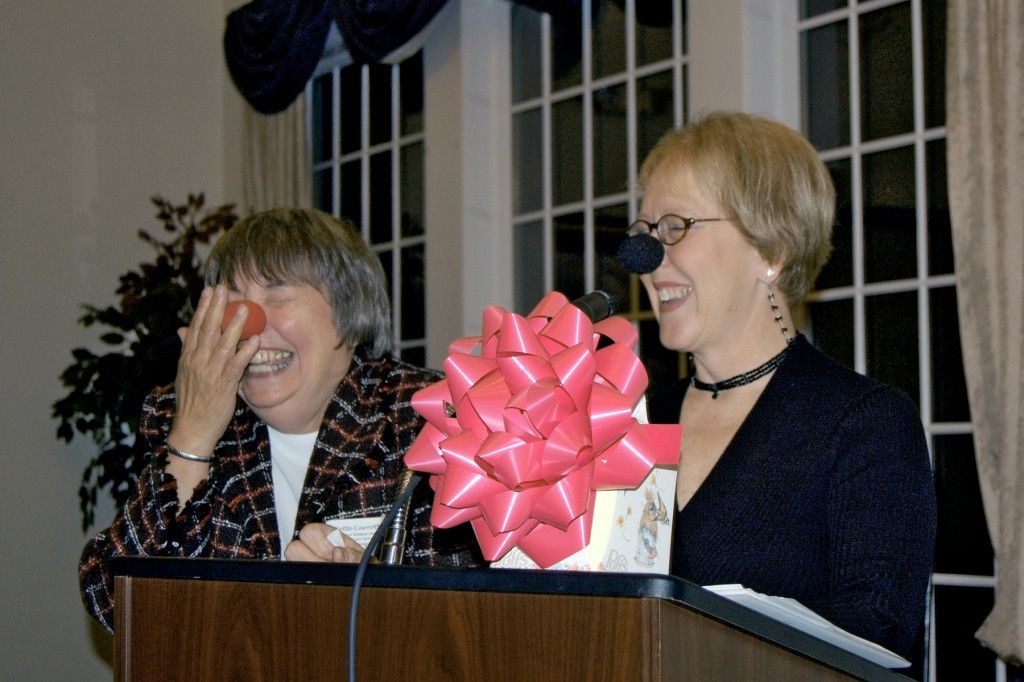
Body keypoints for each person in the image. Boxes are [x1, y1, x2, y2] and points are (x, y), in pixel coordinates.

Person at [79, 208, 478, 632]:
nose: (247, 321)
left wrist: (376, 593)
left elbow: (475, 611)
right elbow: (114, 604)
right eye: (232, 298)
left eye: (277, 294)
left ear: (349, 311)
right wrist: (193, 438)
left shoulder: (429, 418)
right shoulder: (180, 416)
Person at [628, 111, 936, 660]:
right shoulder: (634, 420)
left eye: (676, 226)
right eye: (645, 232)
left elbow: (875, 644)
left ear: (771, 252)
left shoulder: (862, 425)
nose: (648, 258)